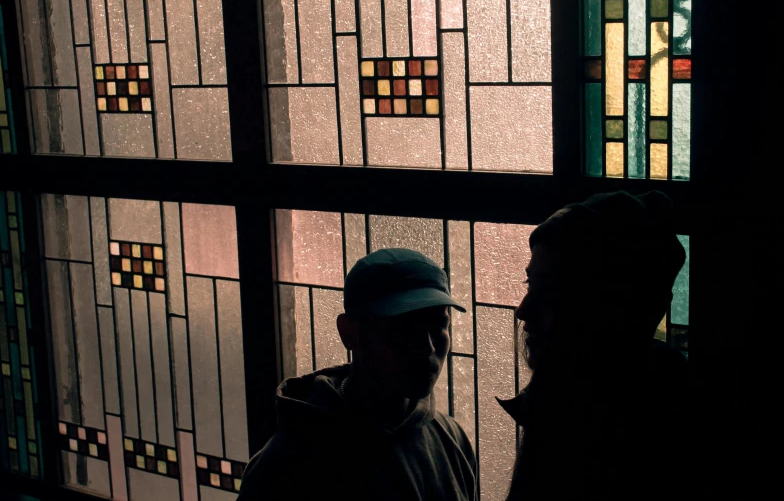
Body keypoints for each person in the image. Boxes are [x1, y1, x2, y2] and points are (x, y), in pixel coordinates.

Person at [238, 248, 477, 501]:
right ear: (349, 332)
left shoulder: (452, 440)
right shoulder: (284, 467)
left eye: (439, 325)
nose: (427, 347)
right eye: (404, 330)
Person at [501, 191, 690, 500]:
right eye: (530, 284)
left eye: (552, 290)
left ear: (613, 306)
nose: (524, 309)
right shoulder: (561, 396)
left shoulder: (647, 426)